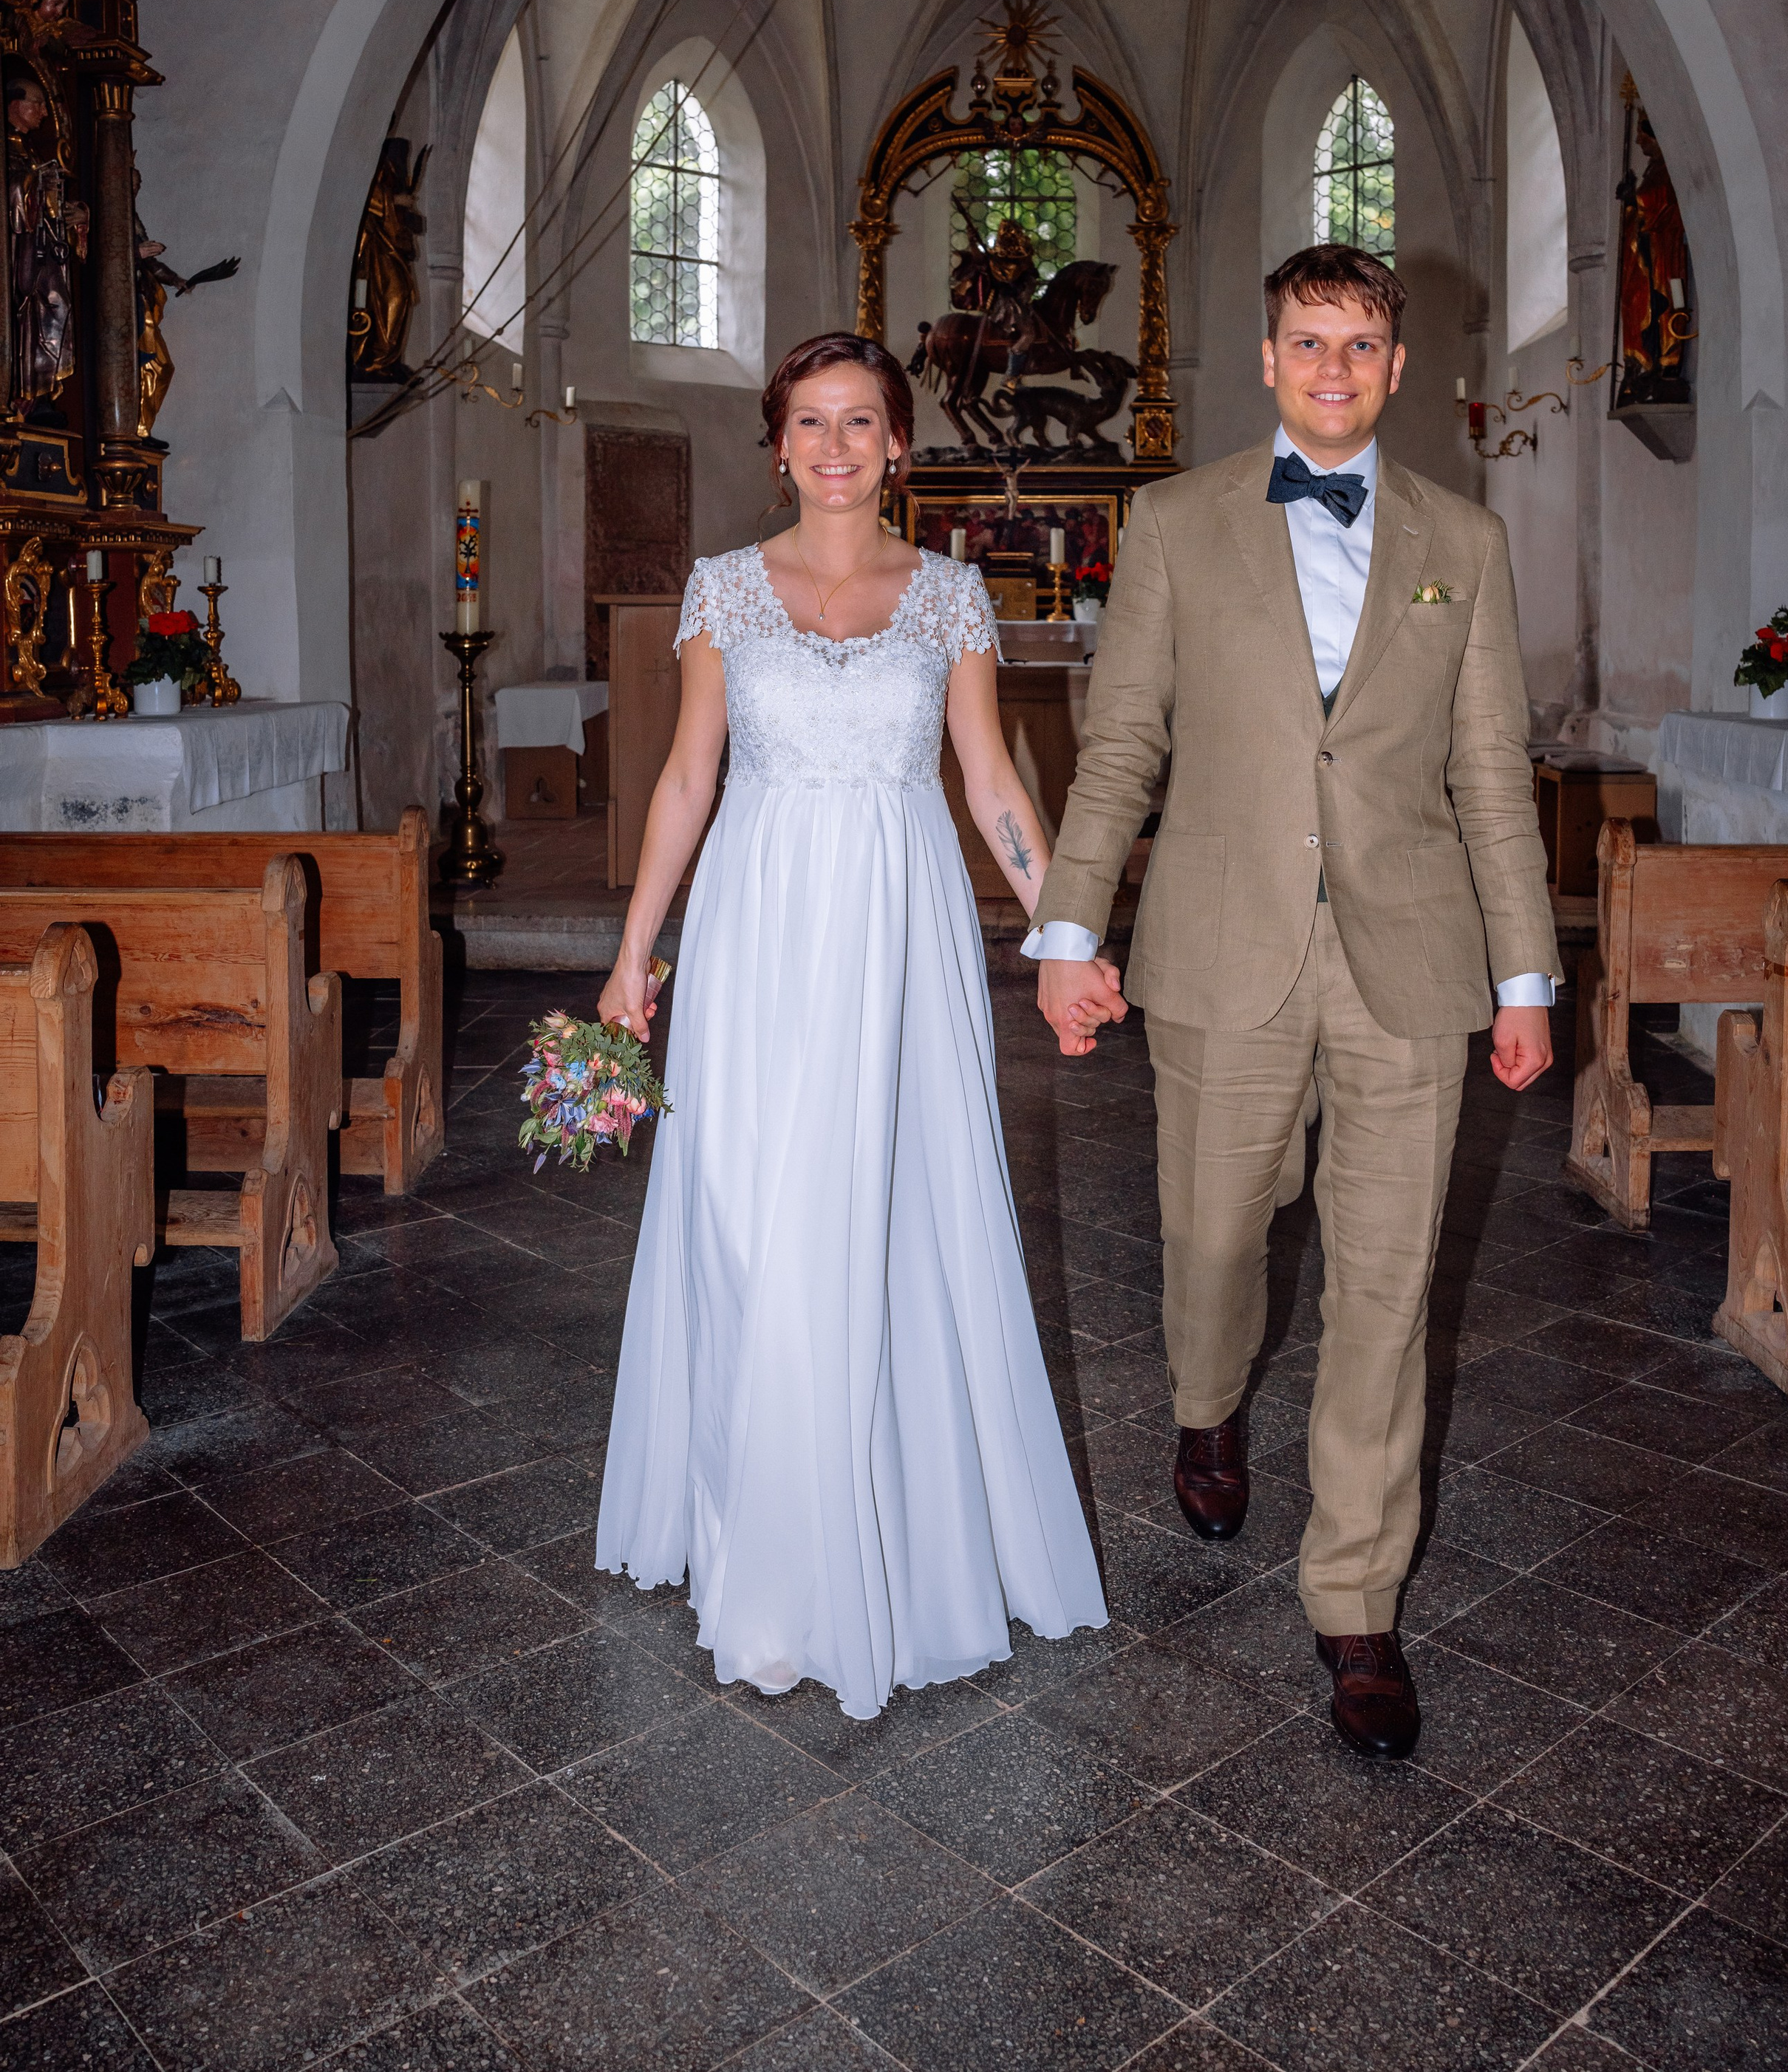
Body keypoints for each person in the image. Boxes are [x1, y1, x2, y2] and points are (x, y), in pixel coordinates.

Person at [1031, 243, 1557, 1762]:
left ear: (1396, 369)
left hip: (1411, 963)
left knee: (1383, 1296)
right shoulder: (1175, 522)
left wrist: (1521, 975)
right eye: (1304, 341)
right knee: (1210, 1238)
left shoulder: (1464, 535)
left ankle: (1354, 1604)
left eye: (1358, 345)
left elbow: (1487, 773)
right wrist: (1071, 924)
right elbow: (1121, 740)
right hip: (1218, 946)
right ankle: (1205, 1400)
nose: (1331, 366)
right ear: (1263, 358)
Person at [594, 331, 1106, 1719]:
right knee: (749, 1218)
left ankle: (875, 1536)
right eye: (810, 422)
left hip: (895, 933)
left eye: (861, 422)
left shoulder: (949, 598)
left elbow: (994, 780)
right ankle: (762, 1535)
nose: (834, 445)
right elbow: (689, 776)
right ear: (778, 443)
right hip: (756, 934)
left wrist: (1064, 932)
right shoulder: (720, 591)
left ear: (897, 444)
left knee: (881, 1217)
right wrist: (637, 948)